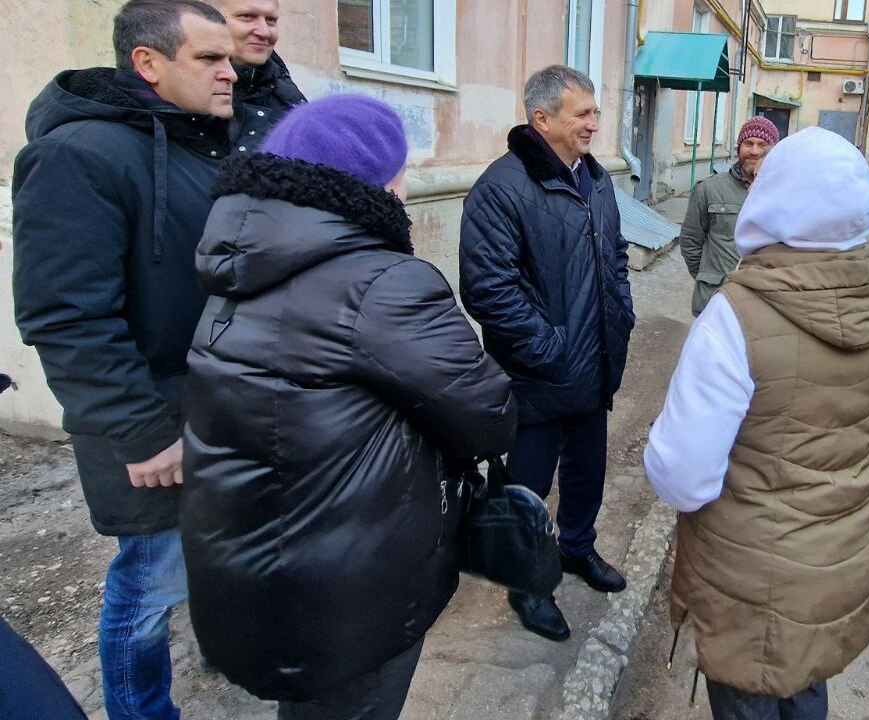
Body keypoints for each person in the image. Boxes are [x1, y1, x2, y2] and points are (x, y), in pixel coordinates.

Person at [180, 94, 518, 717]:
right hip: (351, 580)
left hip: (260, 560)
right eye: (402, 165)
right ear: (376, 176)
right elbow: (488, 414)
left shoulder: (239, 263)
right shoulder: (381, 281)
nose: (409, 181)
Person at [11, 2, 236, 717]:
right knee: (146, 589)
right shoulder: (77, 155)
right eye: (210, 58)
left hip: (213, 409)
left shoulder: (200, 145)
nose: (232, 71)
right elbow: (65, 316)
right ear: (149, 63)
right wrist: (139, 432)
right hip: (149, 427)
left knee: (197, 569)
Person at [644, 127, 869, 720]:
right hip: (839, 560)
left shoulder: (734, 316)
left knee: (752, 691)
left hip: (750, 583)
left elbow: (684, 475)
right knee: (803, 678)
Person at [459, 64, 635, 642]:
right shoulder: (501, 188)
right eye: (582, 114)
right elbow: (489, 289)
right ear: (542, 118)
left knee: (587, 474)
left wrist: (622, 317)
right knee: (528, 489)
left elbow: (615, 257)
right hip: (538, 376)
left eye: (594, 112)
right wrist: (551, 349)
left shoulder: (597, 179)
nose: (593, 123)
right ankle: (529, 585)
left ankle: (577, 549)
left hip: (594, 366)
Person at [678, 116, 779, 316]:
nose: (754, 151)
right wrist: (708, 276)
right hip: (715, 299)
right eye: (748, 143)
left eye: (762, 144)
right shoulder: (709, 189)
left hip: (764, 304)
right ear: (738, 147)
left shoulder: (783, 193)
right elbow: (690, 240)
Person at [208, 0, 306, 153]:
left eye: (270, 20)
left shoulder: (291, 106)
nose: (264, 32)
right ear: (205, 19)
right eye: (247, 16)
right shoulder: (173, 94)